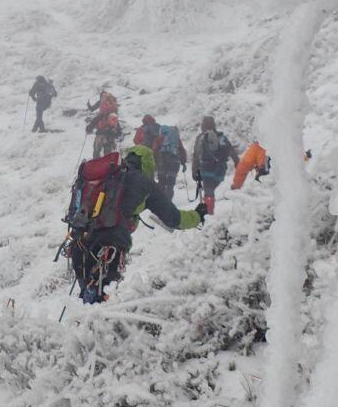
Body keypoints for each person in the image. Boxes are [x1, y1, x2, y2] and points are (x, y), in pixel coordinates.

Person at [63, 144, 207, 303]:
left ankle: (83, 313)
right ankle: (92, 314)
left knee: (87, 295)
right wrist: (198, 216)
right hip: (110, 246)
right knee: (102, 297)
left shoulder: (109, 177)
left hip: (80, 241)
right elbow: (174, 219)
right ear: (148, 164)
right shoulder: (143, 182)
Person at [191, 115, 239, 215]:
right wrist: (237, 163)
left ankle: (208, 213)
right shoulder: (221, 137)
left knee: (208, 192)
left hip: (206, 170)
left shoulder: (200, 138)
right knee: (213, 190)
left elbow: (196, 156)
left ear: (203, 126)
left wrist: (194, 171)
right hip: (220, 170)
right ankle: (212, 211)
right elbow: (231, 150)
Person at [134, 115, 188, 202]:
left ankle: (161, 201)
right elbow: (182, 150)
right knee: (170, 183)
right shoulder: (175, 138)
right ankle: (169, 200)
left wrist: (153, 160)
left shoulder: (159, 137)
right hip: (174, 162)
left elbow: (154, 149)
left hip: (161, 161)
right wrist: (183, 162)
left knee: (161, 182)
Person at [85, 89, 121, 158]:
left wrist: (89, 127)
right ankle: (108, 163)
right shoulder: (113, 107)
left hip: (100, 132)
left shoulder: (102, 106)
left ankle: (95, 162)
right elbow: (117, 126)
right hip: (110, 134)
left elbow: (93, 110)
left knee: (96, 151)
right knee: (108, 152)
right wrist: (118, 132)